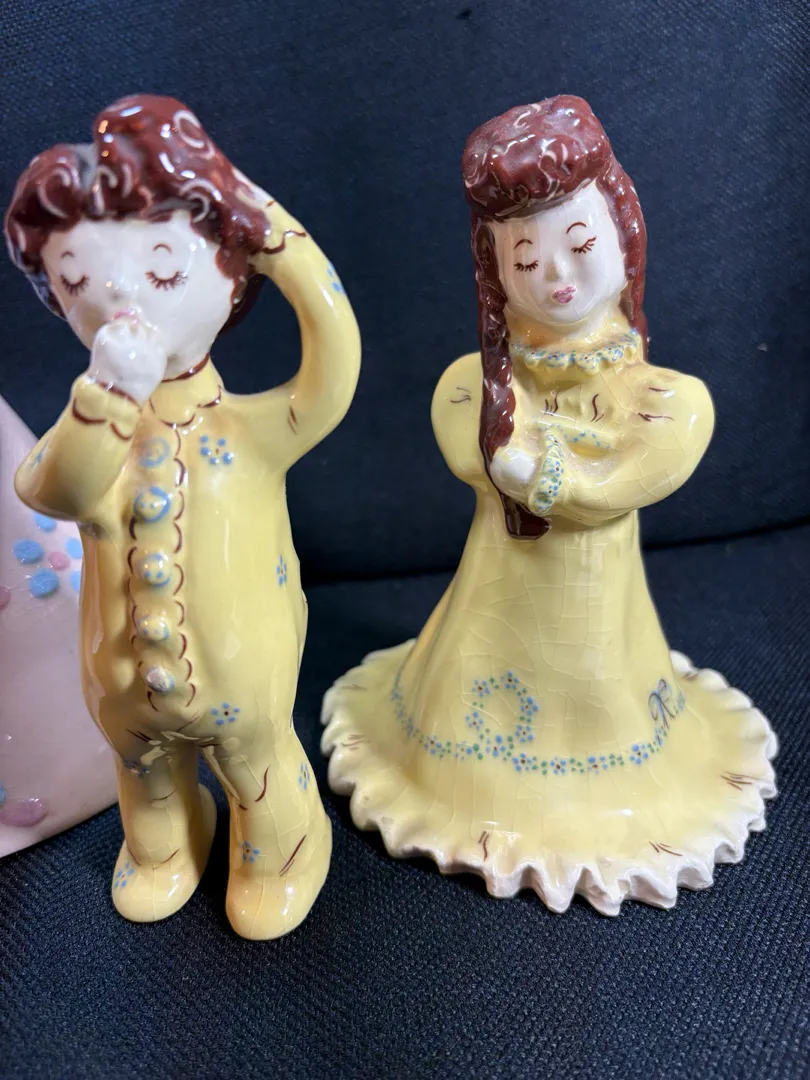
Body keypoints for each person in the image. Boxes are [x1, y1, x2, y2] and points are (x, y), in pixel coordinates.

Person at [323, 96, 776, 915]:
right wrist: (514, 456)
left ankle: (588, 791)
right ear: (495, 271)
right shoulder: (475, 388)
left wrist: (546, 473)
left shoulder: (663, 402)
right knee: (475, 671)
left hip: (596, 600)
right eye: (525, 258)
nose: (556, 277)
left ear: (623, 235)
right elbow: (471, 448)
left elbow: (624, 481)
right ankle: (467, 780)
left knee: (595, 674)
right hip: (497, 593)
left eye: (580, 244)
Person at [6, 94, 361, 939]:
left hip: (244, 672)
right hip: (121, 680)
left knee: (257, 765)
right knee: (144, 774)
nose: (121, 302)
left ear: (231, 275)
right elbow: (51, 490)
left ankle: (283, 850)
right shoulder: (93, 429)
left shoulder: (253, 429)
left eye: (163, 271)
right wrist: (108, 398)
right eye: (78, 283)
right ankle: (164, 851)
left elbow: (334, 358)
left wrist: (269, 228)